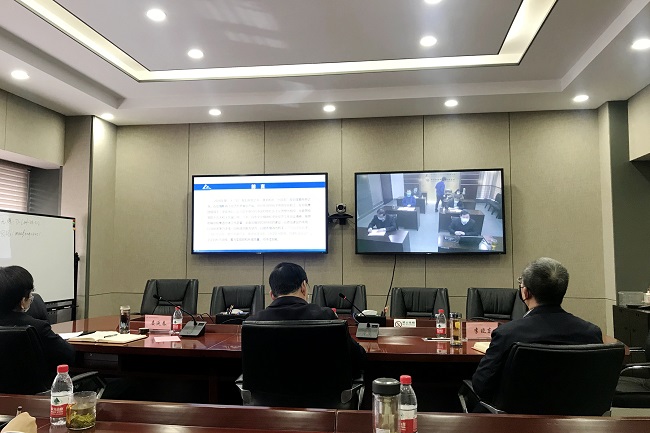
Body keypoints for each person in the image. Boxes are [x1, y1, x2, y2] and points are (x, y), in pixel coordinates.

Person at [470, 257, 602, 409]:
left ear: (525, 292)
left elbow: (481, 386)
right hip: (574, 416)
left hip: (516, 417)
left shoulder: (507, 334)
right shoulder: (591, 333)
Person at [247, 262, 366, 376]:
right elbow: (358, 358)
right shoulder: (325, 316)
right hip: (321, 390)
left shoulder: (253, 322)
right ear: (303, 287)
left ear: (272, 294)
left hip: (268, 390)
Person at [0, 266, 75, 378]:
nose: (32, 297)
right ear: (22, 301)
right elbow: (68, 356)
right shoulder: (37, 327)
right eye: (30, 294)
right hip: (35, 389)